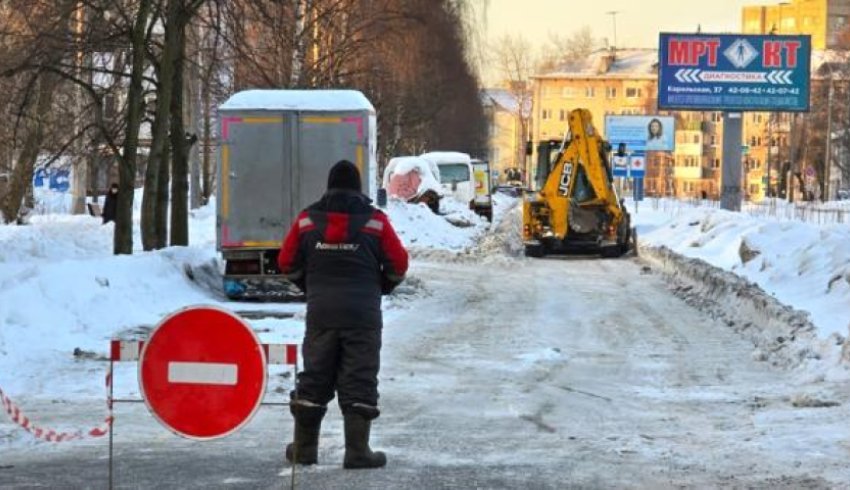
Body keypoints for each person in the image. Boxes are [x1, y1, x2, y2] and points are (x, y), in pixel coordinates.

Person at [277, 160, 409, 469]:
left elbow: (286, 261)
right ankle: (358, 451)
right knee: (359, 377)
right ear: (358, 188)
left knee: (315, 376)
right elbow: (399, 264)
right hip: (363, 316)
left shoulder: (308, 220)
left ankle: (305, 449)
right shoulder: (376, 221)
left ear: (329, 186)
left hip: (322, 313)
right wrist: (383, 286)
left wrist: (308, 285)